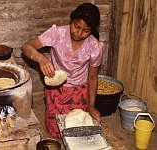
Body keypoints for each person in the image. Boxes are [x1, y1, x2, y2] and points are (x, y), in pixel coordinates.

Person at [21, 3, 103, 138]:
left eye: (86, 31)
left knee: (75, 128)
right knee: (55, 129)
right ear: (72, 21)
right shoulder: (57, 34)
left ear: (91, 29)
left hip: (79, 92)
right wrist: (41, 59)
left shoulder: (95, 46)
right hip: (56, 90)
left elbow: (93, 77)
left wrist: (92, 106)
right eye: (76, 26)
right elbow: (26, 47)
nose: (79, 33)